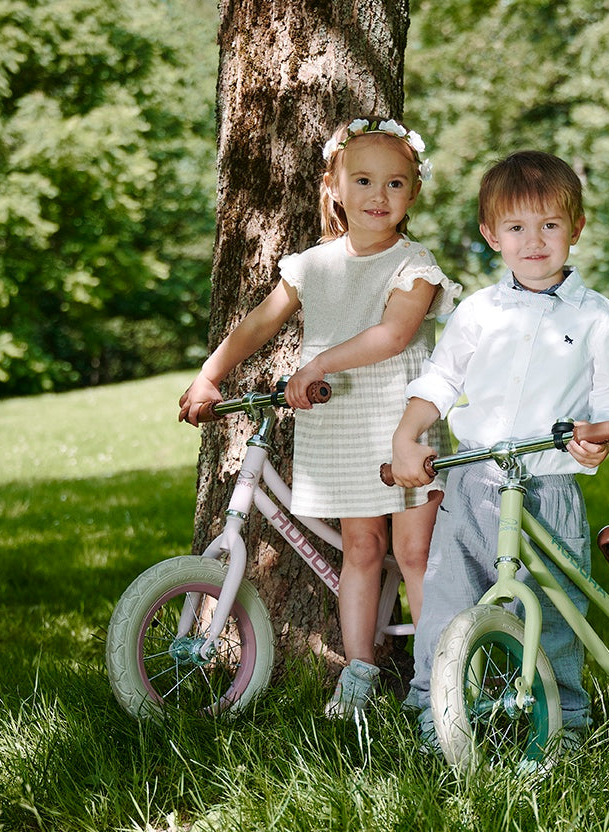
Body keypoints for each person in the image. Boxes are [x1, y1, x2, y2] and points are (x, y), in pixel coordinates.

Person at [179, 116, 459, 719]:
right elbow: (259, 323)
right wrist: (210, 373)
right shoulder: (312, 264)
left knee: (415, 553)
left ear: (413, 194)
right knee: (359, 548)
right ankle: (359, 669)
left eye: (395, 184)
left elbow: (393, 334)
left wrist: (317, 365)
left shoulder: (415, 263)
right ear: (333, 185)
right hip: (337, 423)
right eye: (362, 180)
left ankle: (440, 676)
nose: (377, 197)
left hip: (400, 422)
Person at [388, 149, 609, 751]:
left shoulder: (597, 318)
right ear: (490, 235)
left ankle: (562, 728)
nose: (534, 241)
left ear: (575, 229)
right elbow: (440, 381)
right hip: (473, 485)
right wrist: (407, 434)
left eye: (550, 225)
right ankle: (434, 715)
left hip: (547, 489)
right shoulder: (478, 312)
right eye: (516, 228)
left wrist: (596, 440)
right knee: (449, 600)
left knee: (553, 609)